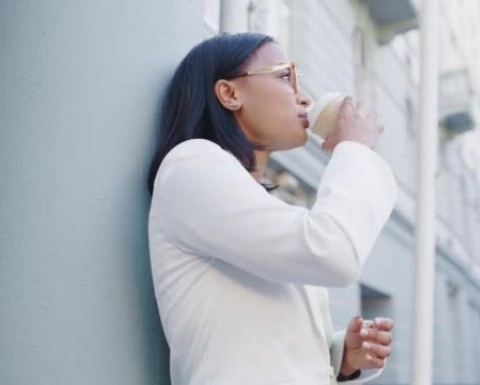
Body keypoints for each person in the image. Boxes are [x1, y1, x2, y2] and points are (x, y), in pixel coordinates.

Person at [147, 32, 398, 385]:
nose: (304, 97)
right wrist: (355, 151)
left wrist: (340, 357)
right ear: (230, 93)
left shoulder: (261, 205)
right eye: (284, 76)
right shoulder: (190, 166)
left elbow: (259, 340)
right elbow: (332, 253)